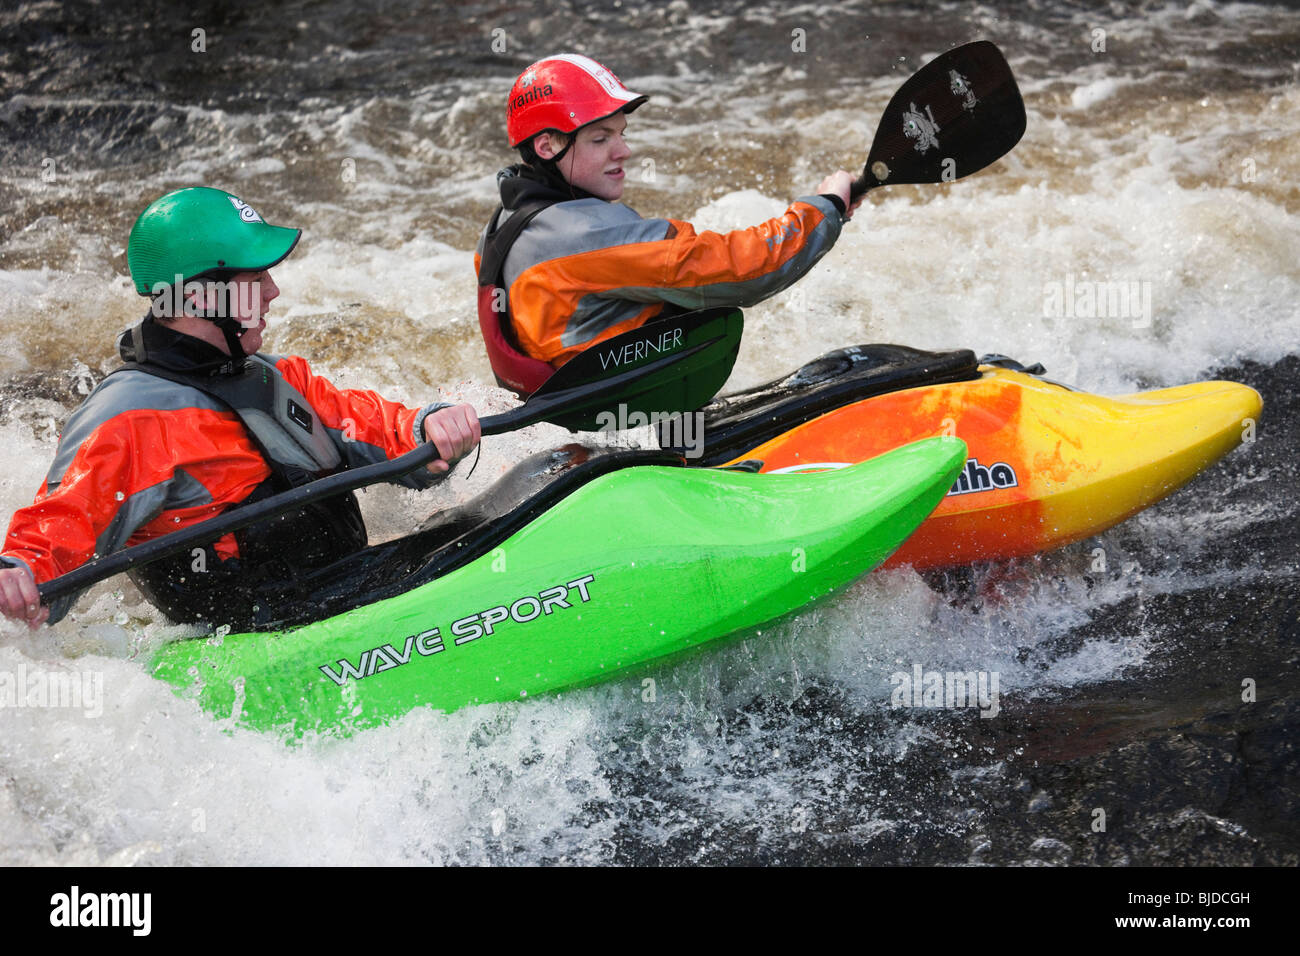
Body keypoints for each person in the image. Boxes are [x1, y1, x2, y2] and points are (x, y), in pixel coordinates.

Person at [0, 187, 480, 630]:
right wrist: (18, 573)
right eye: (256, 277)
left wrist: (428, 427)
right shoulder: (128, 418)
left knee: (508, 505)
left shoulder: (272, 376)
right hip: (263, 632)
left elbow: (375, 428)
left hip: (343, 589)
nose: (273, 291)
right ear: (199, 295)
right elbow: (62, 521)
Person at [475, 52, 865, 395]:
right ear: (547, 146)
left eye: (621, 134)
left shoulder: (501, 224)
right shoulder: (592, 235)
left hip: (561, 418)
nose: (623, 151)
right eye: (600, 139)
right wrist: (825, 207)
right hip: (626, 428)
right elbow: (748, 269)